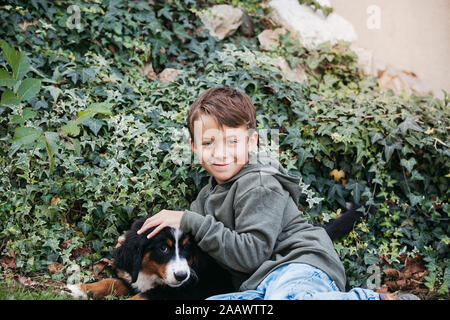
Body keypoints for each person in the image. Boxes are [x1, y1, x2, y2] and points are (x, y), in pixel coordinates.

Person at [128, 86, 418, 300]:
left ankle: (375, 299)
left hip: (298, 268)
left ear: (252, 141)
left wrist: (190, 220)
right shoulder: (206, 197)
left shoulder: (261, 183)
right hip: (256, 288)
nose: (219, 153)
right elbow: (199, 245)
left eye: (232, 141)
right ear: (194, 147)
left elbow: (250, 254)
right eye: (208, 142)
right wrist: (140, 240)